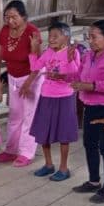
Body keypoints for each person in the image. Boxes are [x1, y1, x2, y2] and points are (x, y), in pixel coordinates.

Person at [69, 20, 104, 203]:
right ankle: (94, 181)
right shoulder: (88, 55)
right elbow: (79, 76)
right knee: (89, 144)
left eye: (94, 37)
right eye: (88, 37)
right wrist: (65, 75)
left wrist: (91, 86)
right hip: (90, 105)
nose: (90, 40)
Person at [27, 21, 81, 182]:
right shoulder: (48, 52)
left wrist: (70, 60)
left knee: (64, 133)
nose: (51, 39)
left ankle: (64, 168)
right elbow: (35, 67)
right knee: (43, 132)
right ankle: (48, 164)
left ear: (66, 37)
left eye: (55, 36)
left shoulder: (72, 52)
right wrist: (34, 49)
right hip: (46, 95)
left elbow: (76, 75)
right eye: (50, 36)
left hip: (65, 96)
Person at [0, 0, 43, 167]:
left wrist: (28, 83)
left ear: (23, 17)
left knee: (29, 116)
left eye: (14, 17)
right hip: (13, 77)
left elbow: (37, 64)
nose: (10, 21)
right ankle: (11, 149)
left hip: (32, 77)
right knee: (15, 114)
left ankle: (26, 153)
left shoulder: (32, 32)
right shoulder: (5, 31)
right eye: (7, 17)